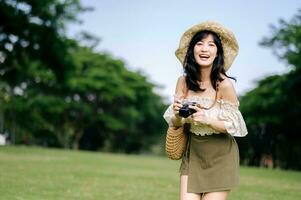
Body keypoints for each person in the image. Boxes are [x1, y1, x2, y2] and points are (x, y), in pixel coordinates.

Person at [163, 21, 248, 200]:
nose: (205, 49)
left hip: (221, 155)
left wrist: (207, 119)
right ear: (192, 50)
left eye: (211, 45)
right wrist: (179, 116)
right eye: (199, 43)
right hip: (193, 153)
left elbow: (234, 126)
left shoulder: (224, 85)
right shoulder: (183, 82)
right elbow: (176, 123)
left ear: (217, 52)